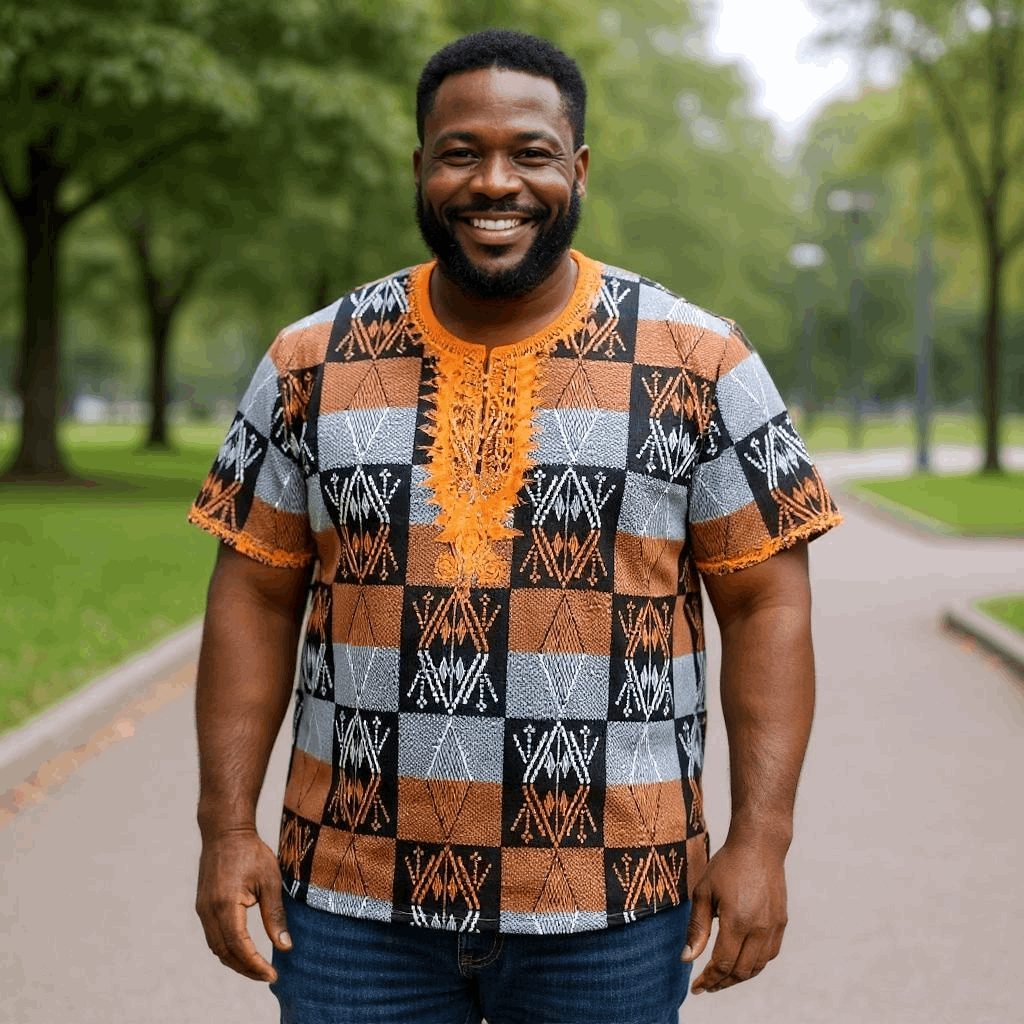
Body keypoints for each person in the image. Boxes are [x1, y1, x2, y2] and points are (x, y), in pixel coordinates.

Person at [189, 28, 841, 1024]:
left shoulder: (699, 361)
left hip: (615, 900)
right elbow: (254, 590)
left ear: (575, 169)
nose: (495, 181)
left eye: (530, 153)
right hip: (351, 902)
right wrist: (223, 825)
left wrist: (762, 838)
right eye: (461, 153)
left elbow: (766, 602)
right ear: (420, 167)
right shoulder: (306, 362)